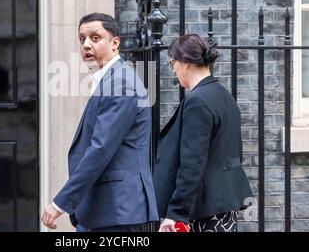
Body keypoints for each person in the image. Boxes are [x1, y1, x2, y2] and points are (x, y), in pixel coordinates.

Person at [41, 13, 158, 232]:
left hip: (117, 212)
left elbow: (101, 148)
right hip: (105, 211)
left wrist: (60, 203)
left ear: (115, 43)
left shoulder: (121, 82)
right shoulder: (111, 79)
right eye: (82, 39)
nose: (86, 44)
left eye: (95, 38)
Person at [153, 33, 253, 232]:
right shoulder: (223, 95)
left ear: (186, 61)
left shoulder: (198, 101)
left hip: (203, 212)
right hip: (223, 205)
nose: (173, 69)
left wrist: (176, 213)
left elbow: (192, 162)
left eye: (173, 62)